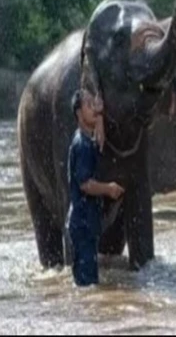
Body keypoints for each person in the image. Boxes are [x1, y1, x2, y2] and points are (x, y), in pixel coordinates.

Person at [67, 89, 124, 287]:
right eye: (89, 105)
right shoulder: (81, 145)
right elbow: (85, 184)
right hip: (82, 224)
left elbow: (99, 143)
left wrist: (99, 115)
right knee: (87, 285)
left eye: (94, 104)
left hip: (86, 223)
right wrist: (108, 189)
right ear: (79, 113)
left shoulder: (86, 140)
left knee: (89, 285)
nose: (93, 108)